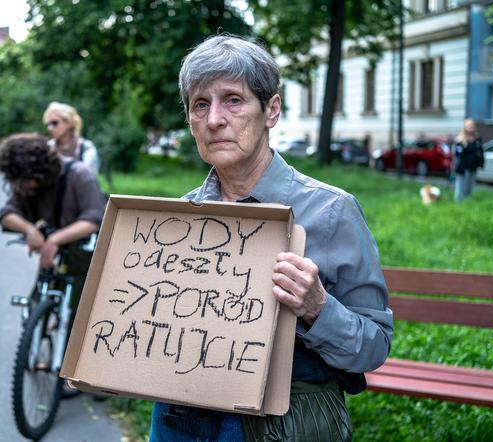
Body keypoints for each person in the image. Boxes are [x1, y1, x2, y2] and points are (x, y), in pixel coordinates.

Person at [149, 35, 393, 442]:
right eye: (200, 104)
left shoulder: (331, 212)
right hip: (179, 422)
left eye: (233, 100)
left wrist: (317, 308)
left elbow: (374, 347)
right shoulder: (179, 219)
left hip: (285, 425)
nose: (214, 120)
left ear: (272, 110)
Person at [0, 133, 107, 303]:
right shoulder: (26, 182)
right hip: (53, 255)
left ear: (40, 170)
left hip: (83, 254)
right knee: (38, 300)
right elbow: (6, 214)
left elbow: (95, 218)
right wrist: (29, 229)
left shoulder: (79, 174)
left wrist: (54, 240)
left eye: (24, 180)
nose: (20, 186)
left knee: (78, 307)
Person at [43, 101, 101, 178]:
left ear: (70, 123)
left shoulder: (86, 148)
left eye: (55, 123)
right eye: (48, 124)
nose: (50, 128)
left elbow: (88, 179)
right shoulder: (48, 148)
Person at [454, 118, 484, 202]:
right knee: (461, 186)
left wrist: (481, 162)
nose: (470, 127)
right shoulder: (460, 140)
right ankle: (458, 203)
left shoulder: (477, 139)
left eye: (472, 125)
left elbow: (480, 152)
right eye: (468, 125)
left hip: (473, 166)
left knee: (469, 186)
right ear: (465, 127)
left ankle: (467, 202)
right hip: (463, 167)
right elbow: (457, 155)